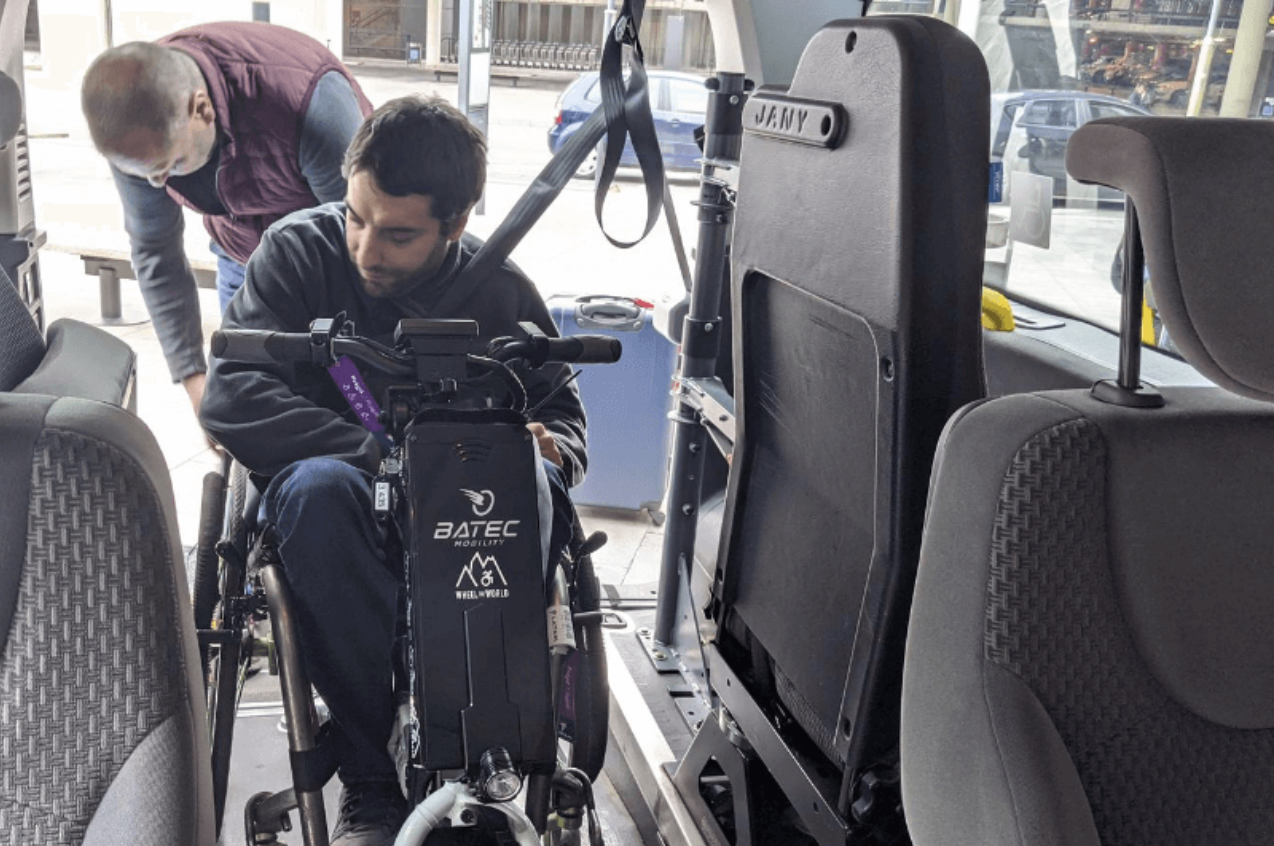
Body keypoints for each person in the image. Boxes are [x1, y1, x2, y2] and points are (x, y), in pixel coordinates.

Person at [199, 95, 587, 846]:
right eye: (355, 217)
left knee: (532, 484)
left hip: (466, 517)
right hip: (335, 507)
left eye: (399, 234)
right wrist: (378, 455)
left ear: (456, 224)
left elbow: (563, 416)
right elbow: (232, 393)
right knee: (318, 489)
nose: (367, 249)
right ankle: (371, 772)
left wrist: (551, 450)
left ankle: (494, 746)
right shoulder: (298, 254)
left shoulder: (500, 290)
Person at [80, 22, 373, 413]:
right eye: (146, 174)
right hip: (241, 257)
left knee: (354, 403)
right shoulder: (137, 135)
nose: (158, 184)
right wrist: (194, 379)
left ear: (201, 109)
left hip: (334, 257)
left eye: (172, 165)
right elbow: (156, 251)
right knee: (250, 403)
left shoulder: (308, 106)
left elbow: (360, 240)